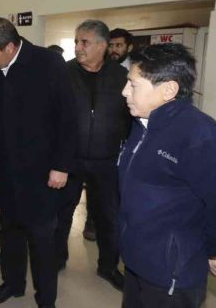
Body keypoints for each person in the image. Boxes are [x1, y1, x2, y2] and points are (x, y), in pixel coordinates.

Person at [119, 43, 216, 308]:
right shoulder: (142, 124)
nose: (124, 91)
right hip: (137, 260)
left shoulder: (200, 135)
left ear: (169, 89)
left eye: (133, 85)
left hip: (171, 274)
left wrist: (208, 251)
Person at [0, 18, 78, 308]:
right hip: (8, 170)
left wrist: (62, 165)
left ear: (10, 47)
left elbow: (68, 118)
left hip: (44, 173)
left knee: (41, 238)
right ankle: (13, 284)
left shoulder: (48, 64)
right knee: (10, 230)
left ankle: (46, 299)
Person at [56, 20, 131, 290]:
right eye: (76, 41)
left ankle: (108, 267)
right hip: (70, 159)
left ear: (102, 45)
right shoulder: (64, 73)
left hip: (106, 161)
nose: (78, 47)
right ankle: (56, 259)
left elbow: (130, 116)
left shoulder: (121, 76)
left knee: (109, 217)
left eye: (84, 42)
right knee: (61, 213)